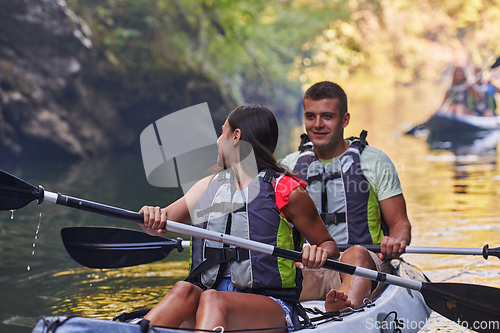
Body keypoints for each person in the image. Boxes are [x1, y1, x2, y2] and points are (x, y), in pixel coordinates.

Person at [139, 105, 338, 332]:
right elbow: (158, 225)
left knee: (214, 299)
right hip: (209, 299)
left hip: (271, 305)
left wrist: (319, 252)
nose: (217, 141)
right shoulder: (209, 185)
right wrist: (149, 216)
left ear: (235, 136)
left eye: (222, 132)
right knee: (183, 290)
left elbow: (329, 246)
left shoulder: (286, 191)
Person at [281, 81, 412, 312]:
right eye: (311, 116)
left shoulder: (375, 161)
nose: (318, 124)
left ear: (345, 120)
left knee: (356, 253)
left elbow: (399, 223)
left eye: (327, 116)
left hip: (364, 265)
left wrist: (395, 242)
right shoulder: (288, 167)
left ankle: (344, 312)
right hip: (307, 268)